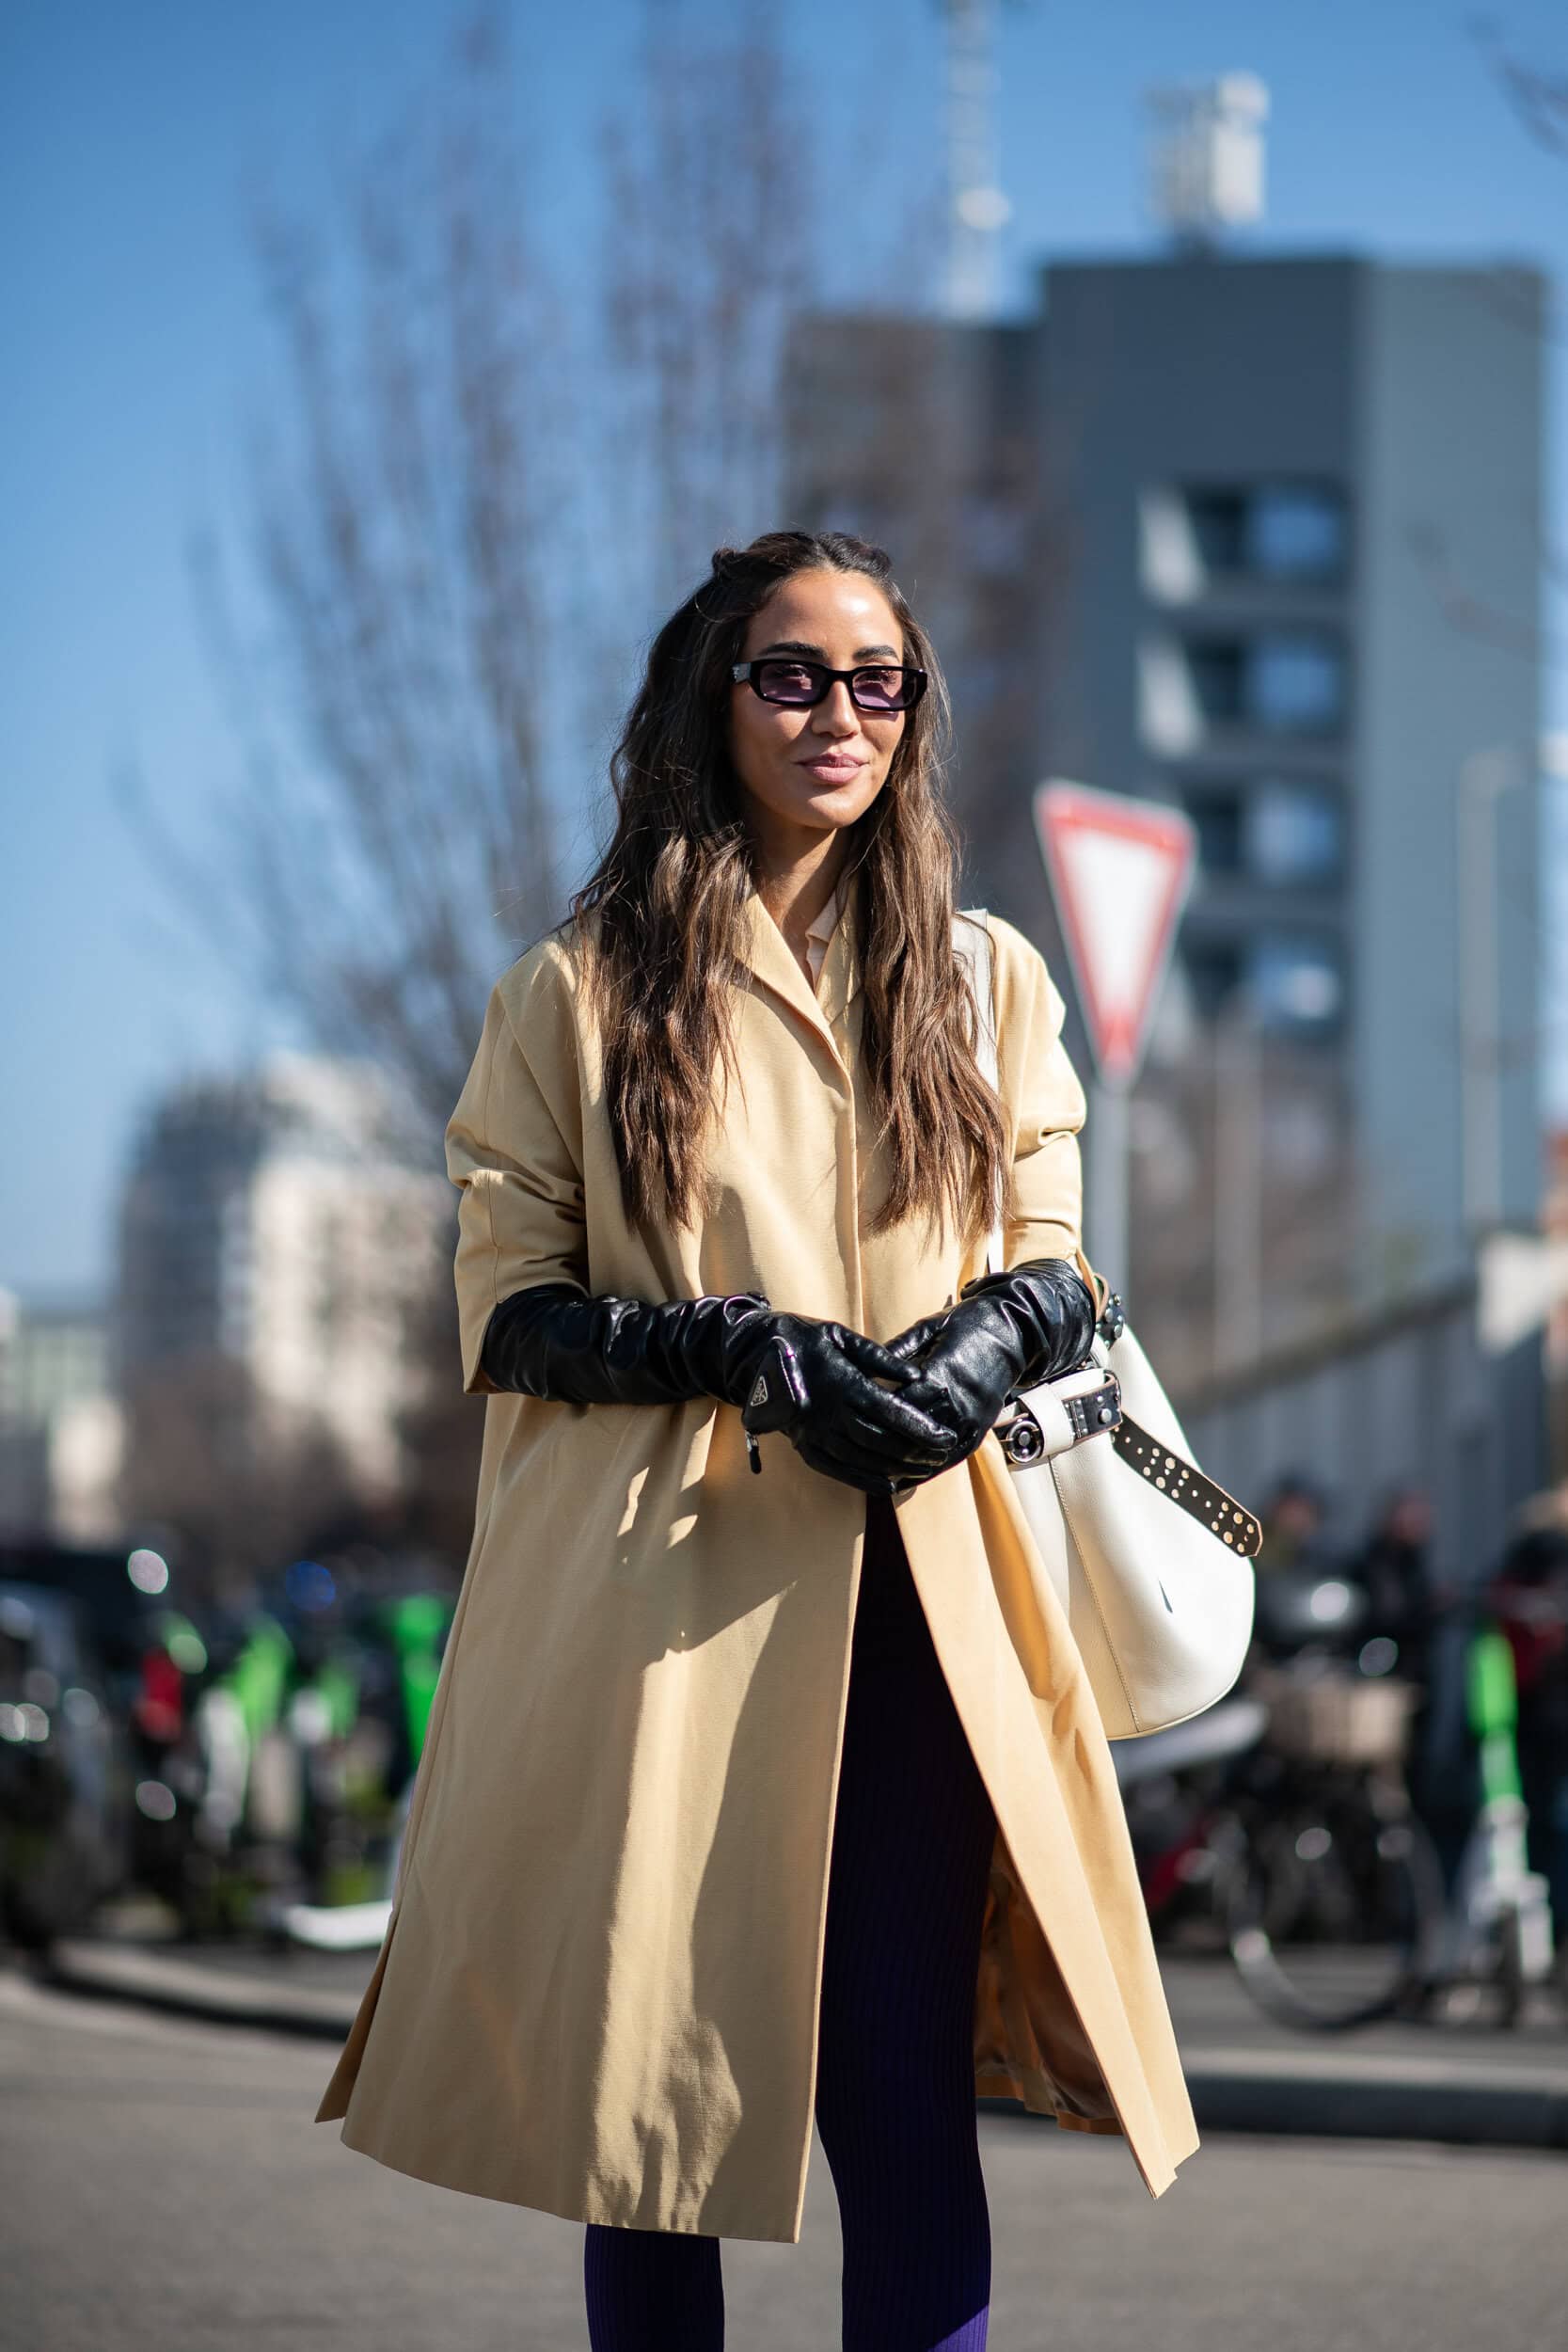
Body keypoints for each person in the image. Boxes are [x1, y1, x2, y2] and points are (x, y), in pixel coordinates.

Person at [312, 530, 1200, 2348]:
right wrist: (729, 1344)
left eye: (880, 681)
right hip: (668, 1612)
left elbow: (1056, 1248)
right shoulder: (575, 990)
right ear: (707, 698)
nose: (841, 715)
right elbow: (511, 1303)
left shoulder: (986, 978)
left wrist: (971, 1352)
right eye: (792, 674)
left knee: (897, 2102)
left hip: (924, 1599)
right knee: (650, 2112)